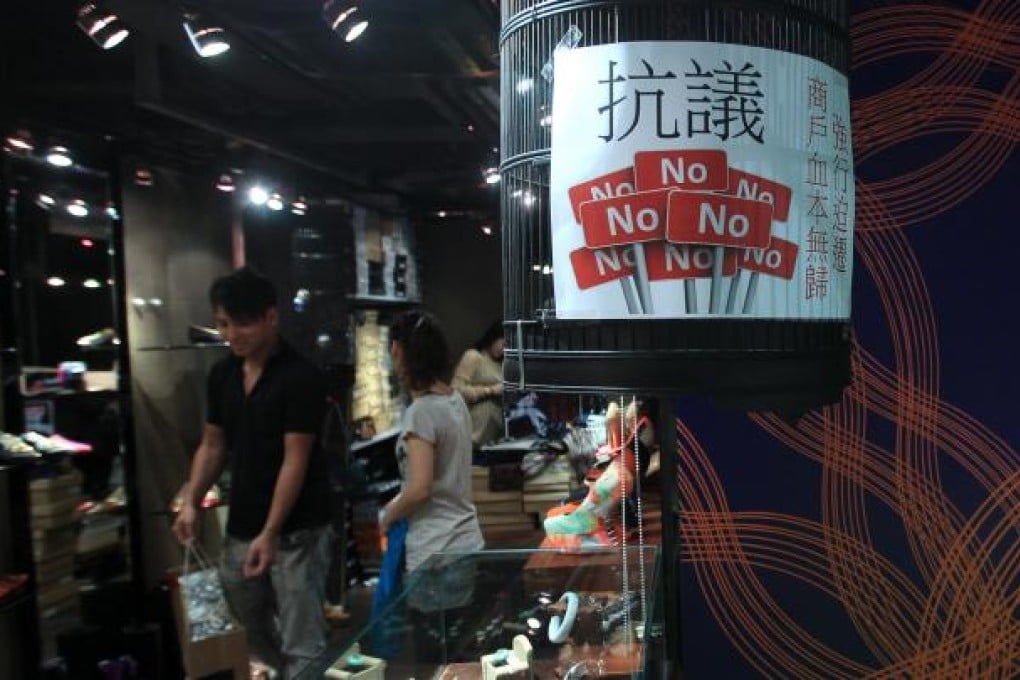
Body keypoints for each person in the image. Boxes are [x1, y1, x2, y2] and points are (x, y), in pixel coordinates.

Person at [172, 266, 330, 679]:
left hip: (298, 530)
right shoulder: (222, 374)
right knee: (248, 633)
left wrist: (271, 531)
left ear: (270, 318)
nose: (232, 334)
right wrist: (190, 501)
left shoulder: (301, 377)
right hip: (241, 525)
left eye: (242, 323)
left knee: (303, 640)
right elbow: (212, 445)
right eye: (224, 323)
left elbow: (294, 459)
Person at [380, 310, 484, 573]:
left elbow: (419, 489)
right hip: (467, 540)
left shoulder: (421, 413)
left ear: (397, 351)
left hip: (435, 552)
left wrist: (387, 516)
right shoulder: (455, 400)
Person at [452, 320, 505, 448]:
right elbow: (456, 391)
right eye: (503, 344)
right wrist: (490, 390)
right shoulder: (474, 357)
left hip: (493, 437)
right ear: (494, 337)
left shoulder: (503, 364)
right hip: (472, 436)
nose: (504, 350)